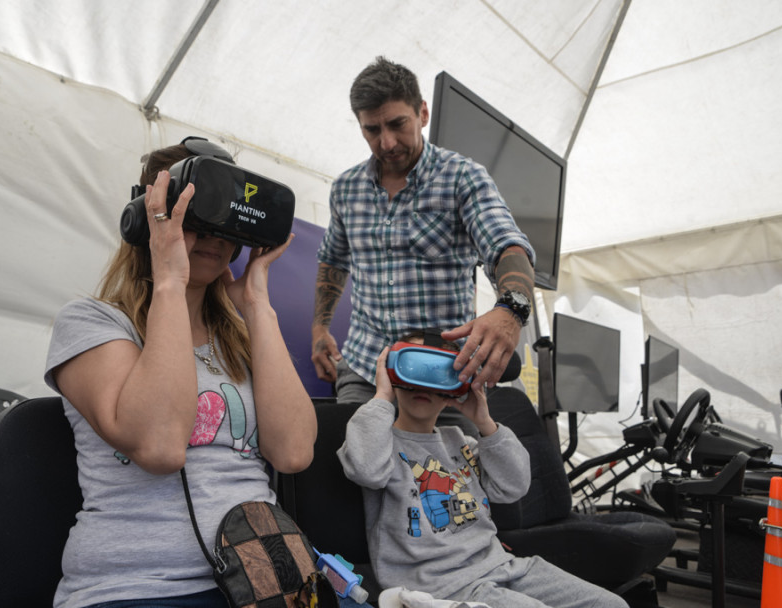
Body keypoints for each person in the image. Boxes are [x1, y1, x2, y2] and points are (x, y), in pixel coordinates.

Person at [44, 140, 317, 608]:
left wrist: (256, 306)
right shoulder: (92, 322)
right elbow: (159, 446)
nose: (213, 234)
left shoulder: (240, 337)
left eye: (224, 219)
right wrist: (169, 280)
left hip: (264, 579)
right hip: (137, 586)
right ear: (143, 219)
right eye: (192, 215)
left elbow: (292, 453)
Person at [337, 332, 628, 608]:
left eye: (439, 373)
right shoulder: (379, 441)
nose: (423, 386)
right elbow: (366, 469)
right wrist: (382, 397)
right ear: (392, 372)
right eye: (413, 368)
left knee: (612, 604)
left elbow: (514, 486)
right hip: (440, 587)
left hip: (502, 566)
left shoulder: (461, 441)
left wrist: (485, 423)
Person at [312, 56, 536, 405]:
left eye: (398, 124)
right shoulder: (345, 189)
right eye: (372, 130)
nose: (386, 143)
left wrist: (511, 310)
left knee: (439, 463)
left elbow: (507, 246)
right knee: (356, 458)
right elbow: (333, 261)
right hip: (364, 367)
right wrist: (319, 328)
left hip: (442, 375)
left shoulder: (463, 177)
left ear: (423, 114)